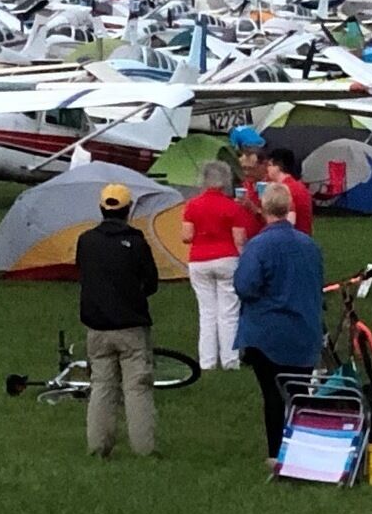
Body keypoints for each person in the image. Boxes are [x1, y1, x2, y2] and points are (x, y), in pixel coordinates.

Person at [235, 178, 326, 463]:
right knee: (299, 393)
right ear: (288, 208)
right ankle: (301, 448)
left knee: (273, 395)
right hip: (304, 329)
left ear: (263, 208)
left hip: (267, 333)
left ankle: (277, 453)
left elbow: (245, 286)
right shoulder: (309, 246)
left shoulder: (259, 246)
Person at [73, 178, 163, 459]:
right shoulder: (136, 242)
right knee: (137, 387)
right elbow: (151, 282)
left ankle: (98, 446)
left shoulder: (85, 241)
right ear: (128, 209)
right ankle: (144, 448)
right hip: (131, 324)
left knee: (101, 385)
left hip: (96, 325)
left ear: (101, 208)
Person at [182, 155, 258, 372]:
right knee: (229, 311)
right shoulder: (232, 207)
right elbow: (240, 239)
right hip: (227, 259)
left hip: (199, 260)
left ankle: (206, 362)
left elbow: (186, 236)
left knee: (206, 312)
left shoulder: (192, 205)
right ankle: (230, 360)